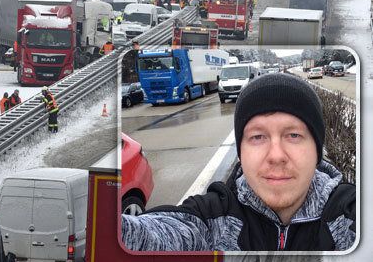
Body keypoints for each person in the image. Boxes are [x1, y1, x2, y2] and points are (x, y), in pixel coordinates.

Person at [122, 74, 356, 251]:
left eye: (293, 135)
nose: (276, 155)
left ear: (317, 150)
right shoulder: (212, 216)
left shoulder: (349, 213)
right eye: (257, 137)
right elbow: (149, 236)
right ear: (241, 154)